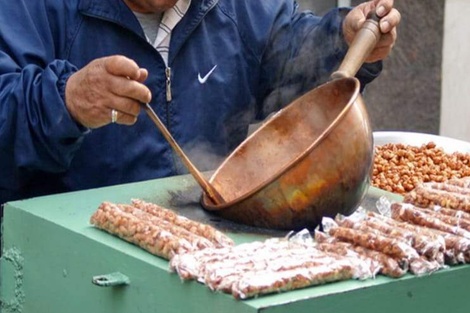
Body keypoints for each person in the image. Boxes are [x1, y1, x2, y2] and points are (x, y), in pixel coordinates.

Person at [0, 0, 400, 206]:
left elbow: (292, 58)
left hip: (205, 247)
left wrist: (343, 43)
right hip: (67, 256)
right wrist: (65, 101)